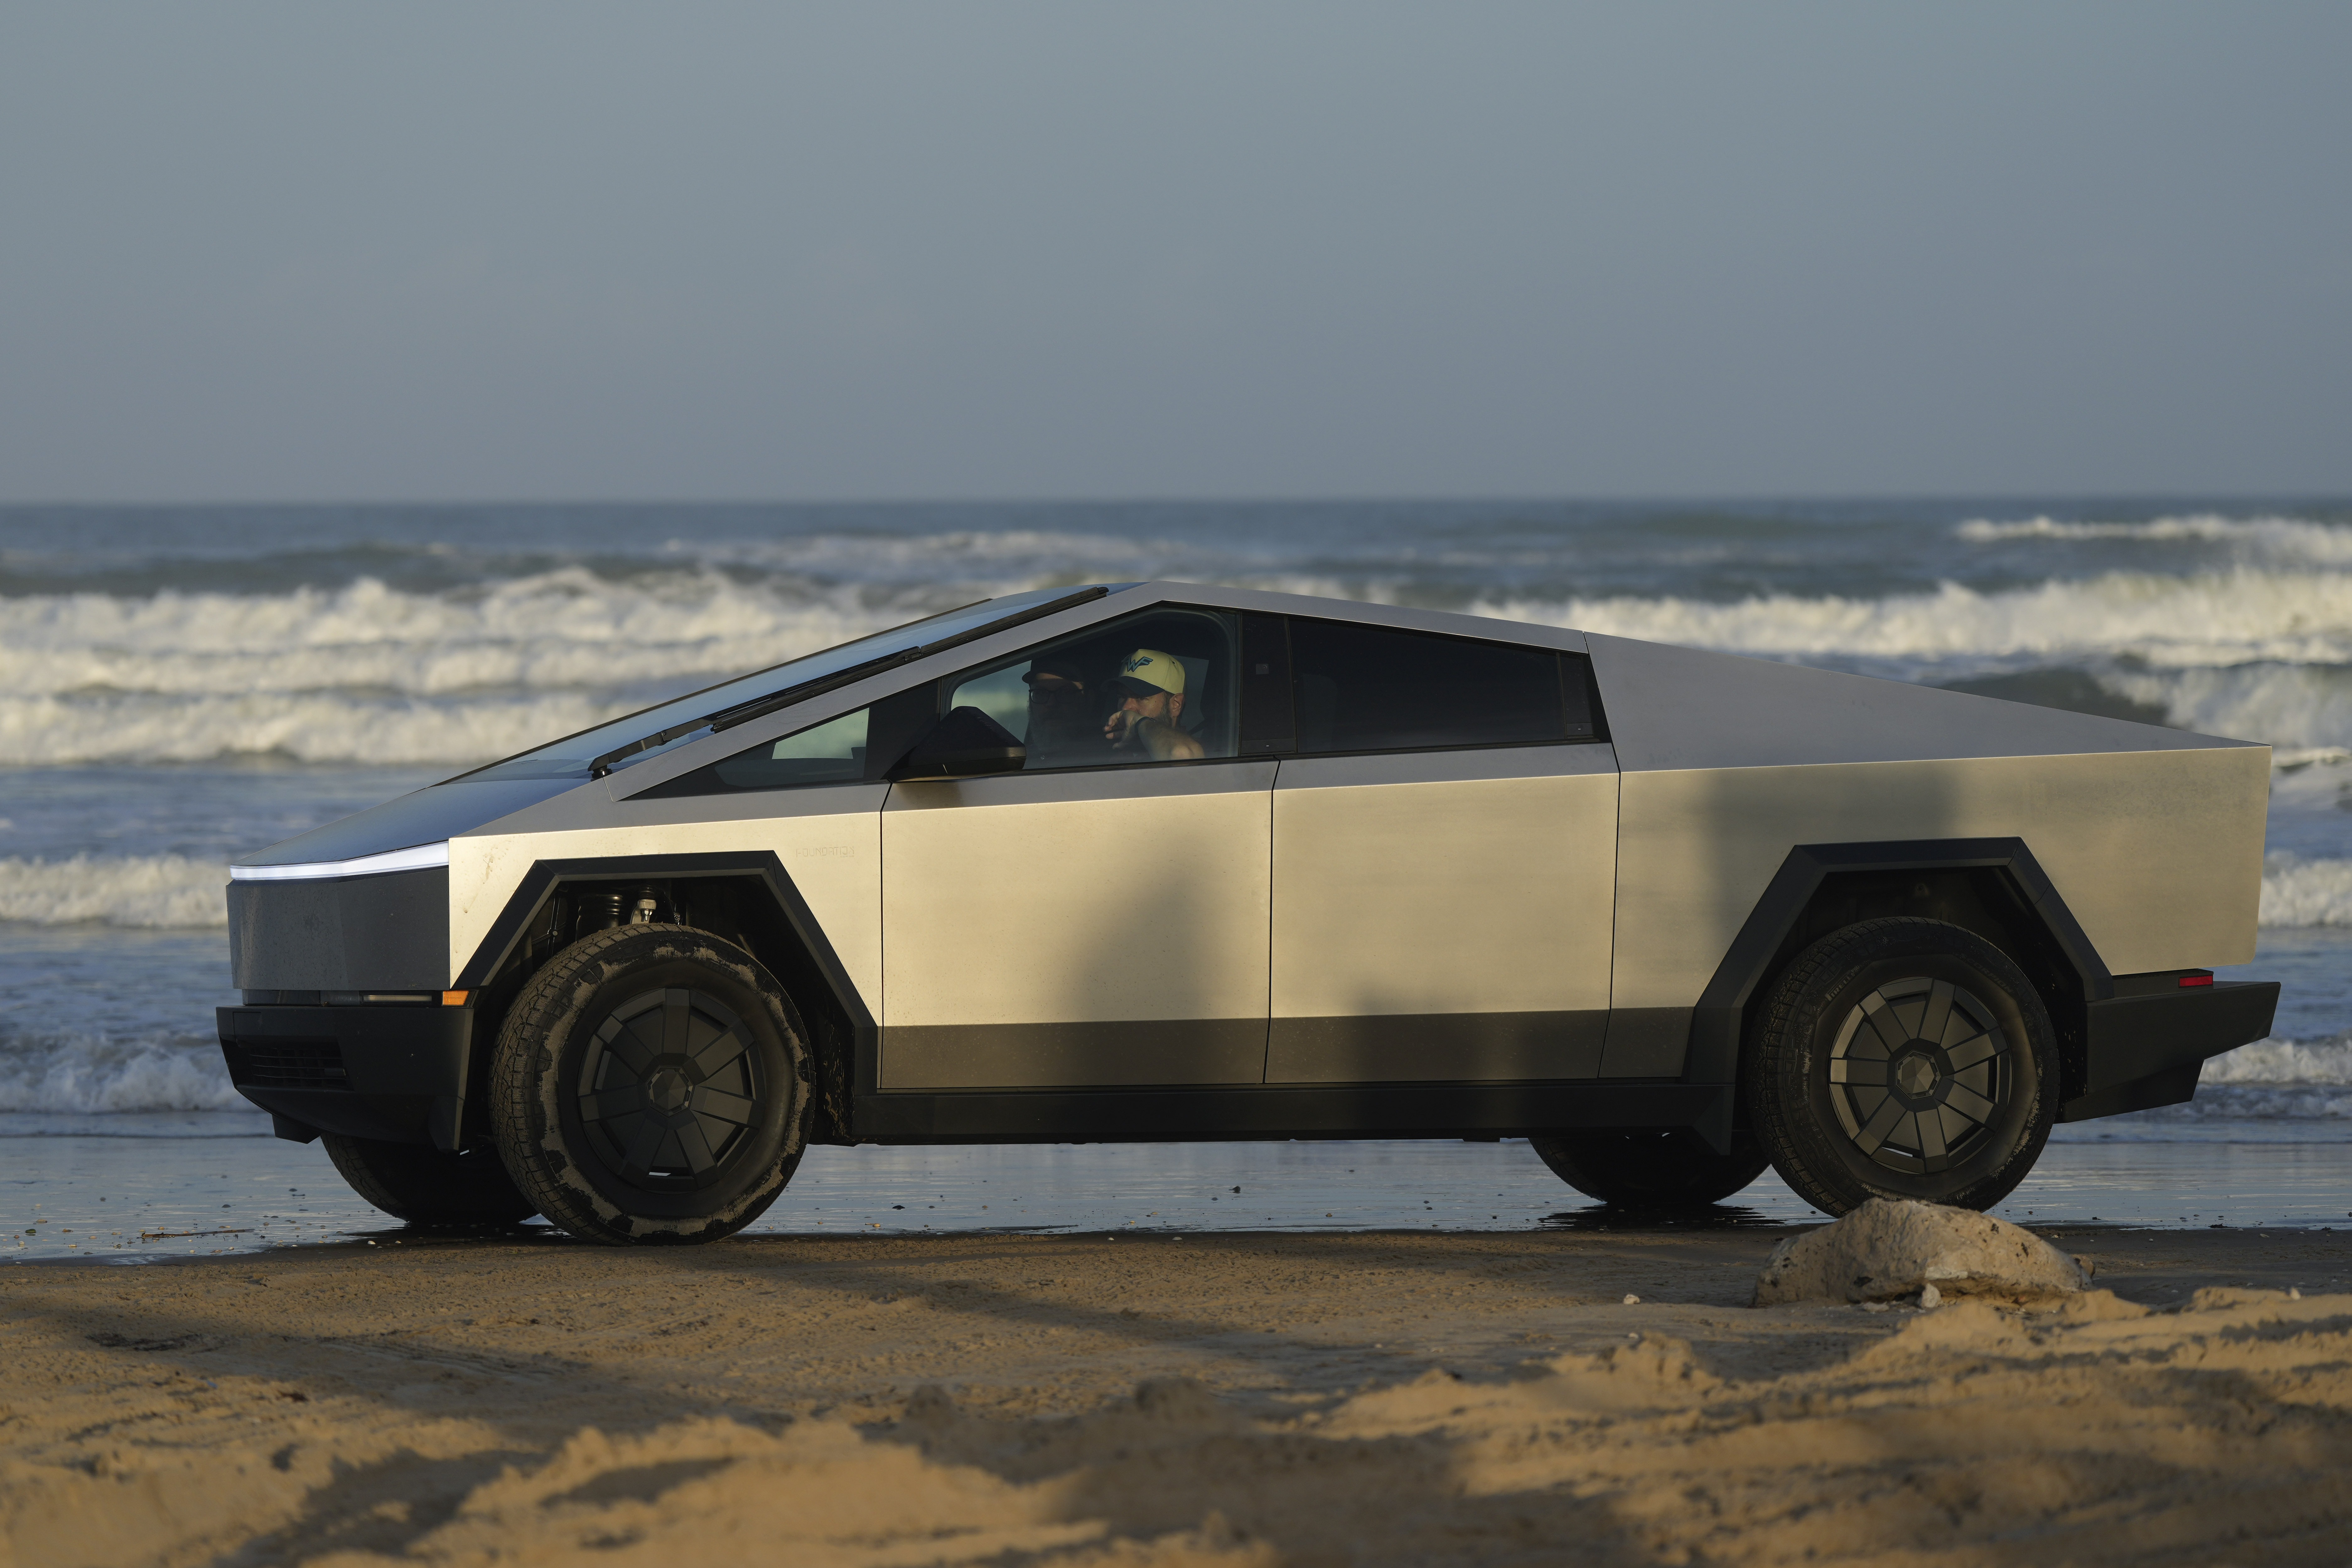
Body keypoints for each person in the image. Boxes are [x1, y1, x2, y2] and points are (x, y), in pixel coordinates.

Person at [1103, 648, 1205, 761]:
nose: (1125, 708)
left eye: (1141, 698)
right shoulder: (1114, 753)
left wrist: (1139, 723)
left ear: (1176, 705)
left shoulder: (1204, 753)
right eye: (1122, 697)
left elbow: (1182, 754)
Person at [1020, 657, 1101, 765]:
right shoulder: (1020, 762)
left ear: (1089, 699)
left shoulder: (1109, 758)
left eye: (1066, 693)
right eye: (1040, 693)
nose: (1051, 703)